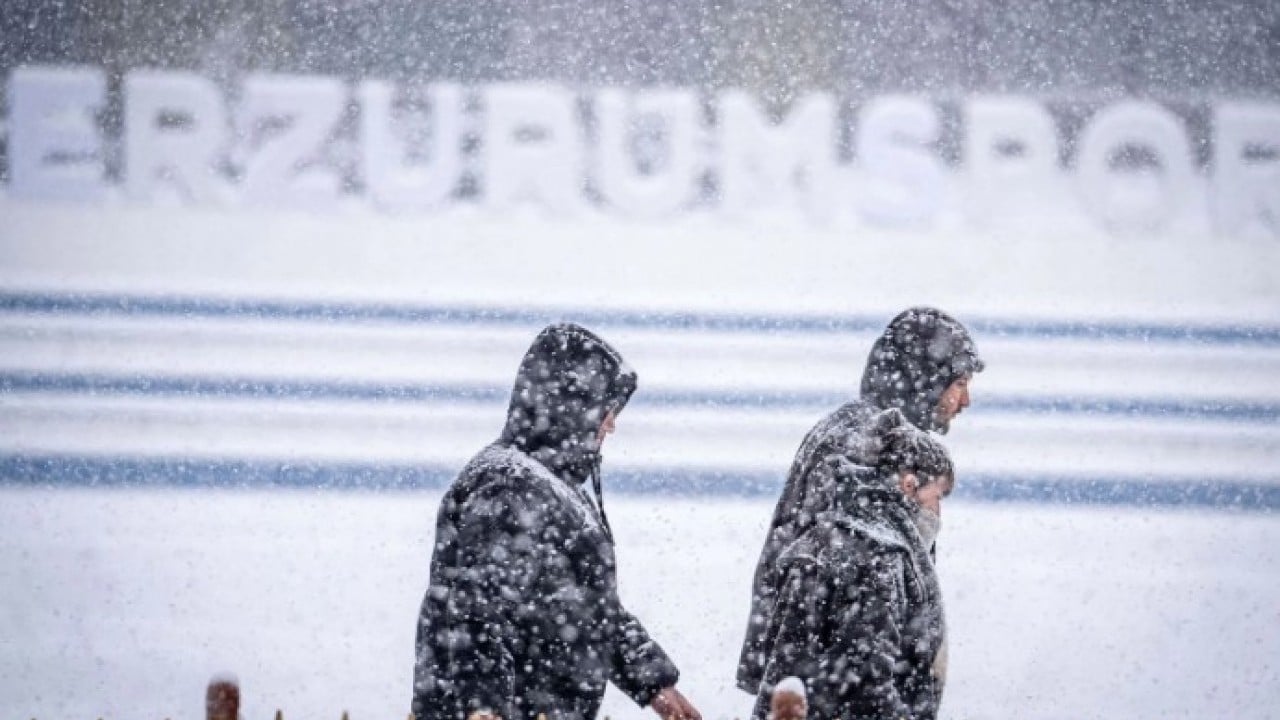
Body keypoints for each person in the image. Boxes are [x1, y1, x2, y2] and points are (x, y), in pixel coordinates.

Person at [411, 323, 701, 720]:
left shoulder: (551, 488)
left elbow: (587, 608)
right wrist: (482, 707)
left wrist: (651, 681)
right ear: (573, 404)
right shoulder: (507, 484)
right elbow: (476, 609)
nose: (611, 425)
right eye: (607, 410)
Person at [737, 306, 983, 702]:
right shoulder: (870, 447)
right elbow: (857, 587)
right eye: (959, 383)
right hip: (835, 686)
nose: (965, 400)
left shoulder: (856, 429)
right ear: (925, 379)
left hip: (809, 679)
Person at [746, 410, 957, 720]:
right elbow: (865, 688)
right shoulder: (878, 557)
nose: (938, 512)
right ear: (909, 485)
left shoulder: (826, 536)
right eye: (937, 496)